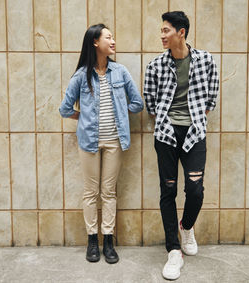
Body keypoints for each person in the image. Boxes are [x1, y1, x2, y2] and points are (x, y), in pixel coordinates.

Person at [143, 11, 219, 280]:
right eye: (162, 31)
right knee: (168, 191)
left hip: (195, 133)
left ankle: (186, 227)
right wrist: (168, 123)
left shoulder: (206, 60)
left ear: (181, 32)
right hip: (165, 134)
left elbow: (211, 98)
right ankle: (174, 251)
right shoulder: (154, 66)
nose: (162, 35)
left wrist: (194, 121)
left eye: (166, 30)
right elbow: (150, 104)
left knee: (195, 190)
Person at [59, 23, 144, 264]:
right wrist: (83, 116)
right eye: (109, 37)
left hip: (115, 141)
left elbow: (137, 103)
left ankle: (108, 240)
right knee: (90, 192)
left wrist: (120, 114)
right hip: (89, 142)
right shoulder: (81, 76)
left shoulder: (121, 72)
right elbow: (65, 109)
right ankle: (92, 240)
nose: (113, 41)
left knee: (108, 192)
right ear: (96, 42)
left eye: (113, 36)